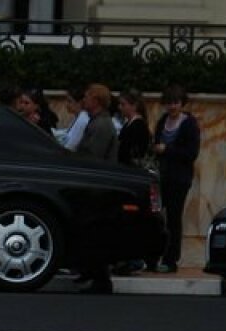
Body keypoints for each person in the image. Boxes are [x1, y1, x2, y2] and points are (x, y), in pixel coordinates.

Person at [73, 83, 119, 293]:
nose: (84, 100)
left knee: (96, 232)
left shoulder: (101, 125)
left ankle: (101, 279)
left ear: (97, 101)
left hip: (98, 188)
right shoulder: (96, 122)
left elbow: (94, 157)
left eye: (87, 96)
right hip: (94, 186)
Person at [152, 83, 201, 273]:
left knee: (173, 218)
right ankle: (152, 255)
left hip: (179, 179)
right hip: (160, 177)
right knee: (155, 216)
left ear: (182, 104)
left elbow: (191, 153)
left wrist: (167, 150)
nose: (172, 107)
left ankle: (171, 259)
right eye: (169, 103)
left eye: (176, 103)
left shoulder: (189, 124)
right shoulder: (162, 120)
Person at [113, 88, 153, 275]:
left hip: (132, 178)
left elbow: (135, 153)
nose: (121, 108)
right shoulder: (129, 124)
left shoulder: (138, 126)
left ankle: (136, 258)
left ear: (134, 105)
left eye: (124, 104)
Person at [56, 84, 88, 150]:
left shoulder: (82, 120)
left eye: (70, 101)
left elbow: (70, 146)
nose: (67, 104)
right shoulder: (78, 117)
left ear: (79, 102)